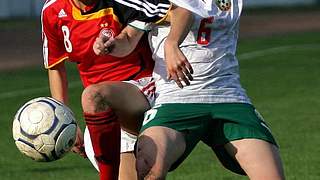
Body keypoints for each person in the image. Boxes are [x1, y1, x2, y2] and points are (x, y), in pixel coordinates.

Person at [93, 0, 286, 179]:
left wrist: (172, 42)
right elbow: (128, 38)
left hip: (229, 97)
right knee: (148, 167)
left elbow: (187, 9)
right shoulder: (155, 2)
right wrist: (111, 45)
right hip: (175, 99)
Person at [40, 0, 163, 179]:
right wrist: (65, 121)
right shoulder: (52, 10)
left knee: (92, 95)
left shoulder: (122, 3)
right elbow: (56, 67)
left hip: (142, 89)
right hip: (102, 108)